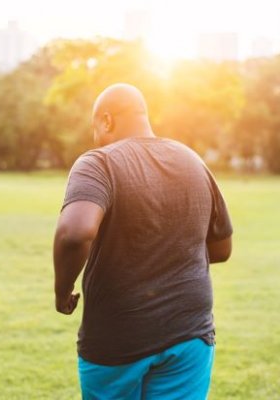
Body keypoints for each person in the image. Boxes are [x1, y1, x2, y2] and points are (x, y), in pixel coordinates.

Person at [53, 83, 233, 399]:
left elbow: (75, 232)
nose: (94, 136)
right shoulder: (193, 161)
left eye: (95, 126)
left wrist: (62, 291)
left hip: (118, 335)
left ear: (106, 120)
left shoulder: (98, 163)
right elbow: (221, 248)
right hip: (190, 332)